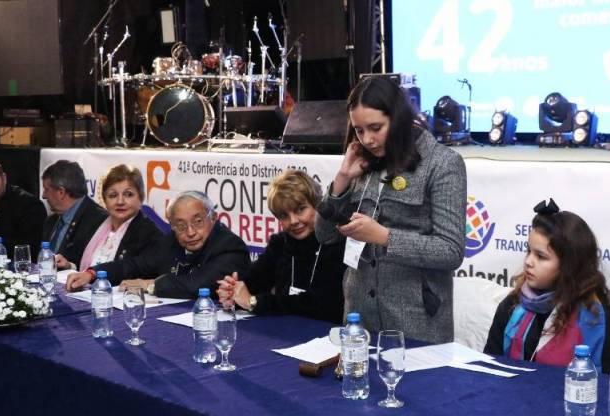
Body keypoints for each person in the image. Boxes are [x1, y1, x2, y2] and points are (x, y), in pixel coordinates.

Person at [314, 75, 466, 343]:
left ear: (399, 119)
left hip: (416, 322)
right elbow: (325, 236)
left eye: (376, 128)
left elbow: (450, 250)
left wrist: (384, 237)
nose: (368, 139)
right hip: (359, 317)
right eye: (359, 130)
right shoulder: (362, 164)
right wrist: (342, 179)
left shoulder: (442, 164)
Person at [484, 199, 610, 372]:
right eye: (528, 251)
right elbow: (489, 366)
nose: (528, 262)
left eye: (541, 256)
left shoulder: (596, 317)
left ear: (569, 265)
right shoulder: (512, 304)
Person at [217, 170, 345, 324]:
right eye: (284, 215)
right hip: (283, 330)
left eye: (300, 209)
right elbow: (252, 284)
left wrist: (254, 302)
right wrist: (232, 292)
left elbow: (322, 305)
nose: (293, 221)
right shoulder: (280, 243)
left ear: (317, 205)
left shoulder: (335, 244)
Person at [83, 191, 249, 299]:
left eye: (198, 221)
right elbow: (135, 265)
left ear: (213, 218)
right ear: (172, 226)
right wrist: (93, 273)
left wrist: (149, 285)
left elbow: (197, 285)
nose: (190, 232)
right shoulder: (170, 242)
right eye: (181, 226)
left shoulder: (230, 246)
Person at [60, 165, 167, 285]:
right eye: (113, 195)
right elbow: (84, 265)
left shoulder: (150, 234)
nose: (120, 202)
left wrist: (93, 273)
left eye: (128, 194)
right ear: (104, 200)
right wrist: (69, 265)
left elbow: (131, 268)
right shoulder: (96, 223)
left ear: (141, 197)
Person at [40, 160, 107, 264]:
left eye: (46, 190)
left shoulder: (99, 222)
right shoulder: (50, 221)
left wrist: (70, 266)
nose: (43, 196)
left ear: (61, 192)